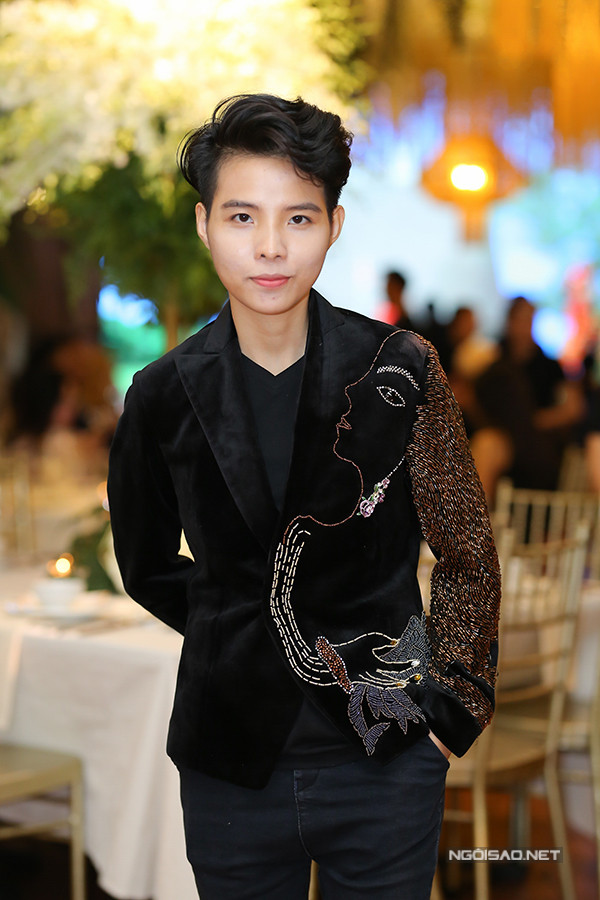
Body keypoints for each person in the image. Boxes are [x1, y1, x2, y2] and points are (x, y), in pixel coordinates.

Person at [107, 94, 501, 900]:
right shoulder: (161, 392)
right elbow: (144, 563)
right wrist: (245, 630)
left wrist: (451, 713)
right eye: (242, 217)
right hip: (229, 765)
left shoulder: (398, 368)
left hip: (388, 758)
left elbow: (466, 549)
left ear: (334, 225)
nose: (270, 247)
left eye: (298, 218)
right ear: (204, 224)